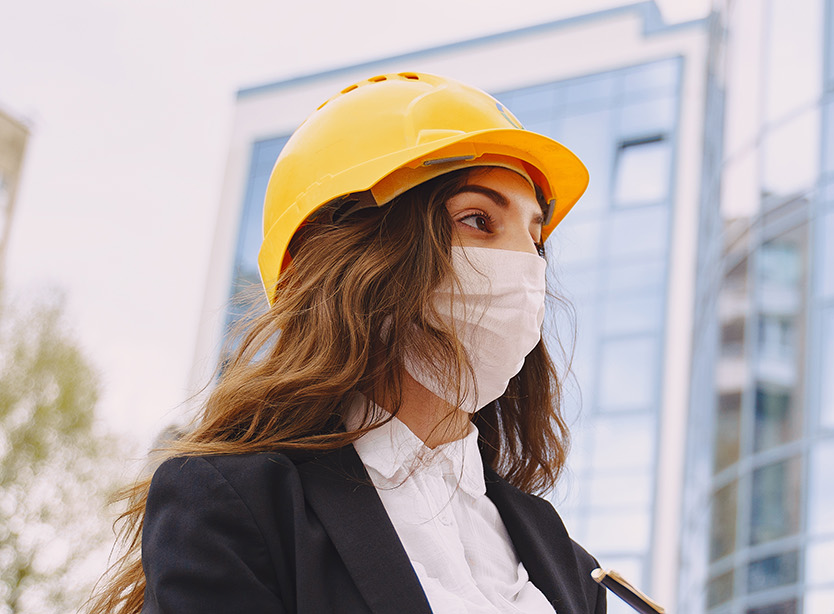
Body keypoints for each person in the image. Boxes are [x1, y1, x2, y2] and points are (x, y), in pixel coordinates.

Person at [88, 72, 602, 614]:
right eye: (477, 219)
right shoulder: (235, 508)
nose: (525, 266)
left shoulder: (573, 567)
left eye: (537, 240)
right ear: (355, 258)